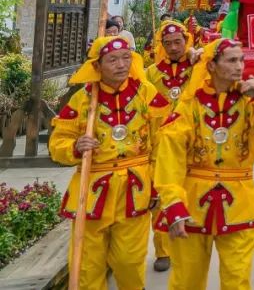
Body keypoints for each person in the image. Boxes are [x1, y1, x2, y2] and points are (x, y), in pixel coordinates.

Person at [154, 39, 254, 289]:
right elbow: (170, 157)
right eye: (231, 60)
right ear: (212, 65)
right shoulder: (189, 105)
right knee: (186, 281)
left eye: (242, 60)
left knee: (237, 280)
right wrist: (172, 203)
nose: (240, 67)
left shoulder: (250, 101)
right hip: (192, 204)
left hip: (239, 203)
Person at [49, 36, 171, 290]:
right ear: (97, 65)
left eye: (126, 57)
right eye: (112, 59)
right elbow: (57, 143)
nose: (121, 64)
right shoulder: (81, 100)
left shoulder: (146, 93)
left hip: (135, 190)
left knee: (129, 262)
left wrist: (160, 182)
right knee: (86, 267)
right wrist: (74, 146)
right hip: (91, 192)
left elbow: (164, 140)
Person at [146, 19, 198, 272]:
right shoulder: (152, 73)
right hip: (161, 145)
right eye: (168, 43)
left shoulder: (199, 67)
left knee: (191, 194)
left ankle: (189, 244)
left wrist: (196, 54)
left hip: (192, 144)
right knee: (160, 199)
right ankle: (162, 251)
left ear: (187, 41)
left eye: (178, 42)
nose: (174, 47)